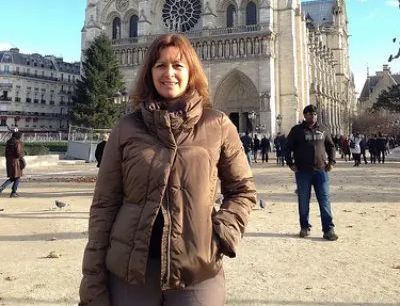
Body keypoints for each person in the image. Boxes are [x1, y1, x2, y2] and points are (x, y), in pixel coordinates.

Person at [79, 34, 257, 306]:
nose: (169, 73)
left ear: (191, 71)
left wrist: (221, 235)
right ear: (149, 72)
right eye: (160, 65)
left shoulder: (218, 125)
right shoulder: (127, 127)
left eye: (178, 65)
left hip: (196, 268)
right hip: (131, 270)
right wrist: (92, 277)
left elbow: (243, 190)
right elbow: (104, 205)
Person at [285, 104, 338, 241]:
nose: (313, 116)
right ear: (304, 115)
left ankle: (328, 229)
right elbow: (287, 147)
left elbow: (331, 146)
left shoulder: (323, 129)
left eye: (315, 114)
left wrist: (331, 162)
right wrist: (291, 164)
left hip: (321, 170)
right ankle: (304, 227)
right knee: (303, 201)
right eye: (310, 114)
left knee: (325, 200)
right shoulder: (297, 130)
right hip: (303, 171)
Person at [0, 130, 24, 198]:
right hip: (16, 162)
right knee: (17, 177)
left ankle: (2, 188)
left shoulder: (8, 142)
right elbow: (18, 153)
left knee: (12, 177)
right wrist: (21, 158)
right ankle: (13, 193)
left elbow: (6, 153)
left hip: (9, 161)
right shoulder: (17, 143)